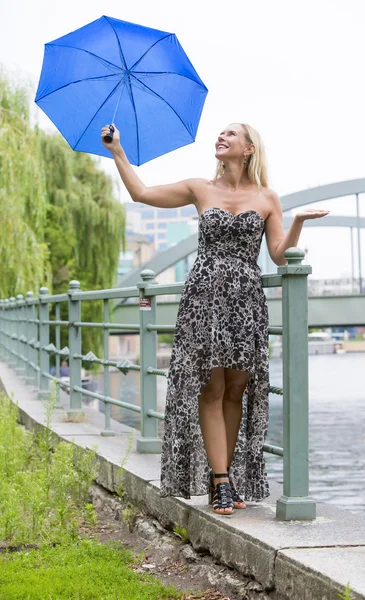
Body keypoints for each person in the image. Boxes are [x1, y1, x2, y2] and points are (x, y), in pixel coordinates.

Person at [102, 123, 329, 516]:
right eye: (220, 134)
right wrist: (117, 151)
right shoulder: (199, 188)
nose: (220, 138)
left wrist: (298, 222)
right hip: (204, 297)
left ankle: (224, 473)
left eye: (230, 134)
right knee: (211, 387)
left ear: (248, 149)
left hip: (245, 300)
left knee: (235, 390)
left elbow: (278, 254)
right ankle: (221, 481)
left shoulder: (267, 197)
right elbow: (141, 193)